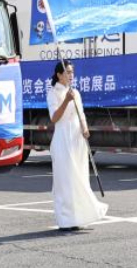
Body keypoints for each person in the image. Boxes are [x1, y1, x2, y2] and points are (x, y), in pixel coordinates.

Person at [46, 61, 108, 231]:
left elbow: (81, 115)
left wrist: (85, 128)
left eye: (72, 72)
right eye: (67, 72)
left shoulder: (76, 93)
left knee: (78, 178)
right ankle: (65, 220)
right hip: (62, 139)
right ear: (59, 75)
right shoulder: (53, 93)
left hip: (77, 139)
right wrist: (66, 100)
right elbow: (54, 118)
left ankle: (78, 218)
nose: (71, 75)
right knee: (65, 180)